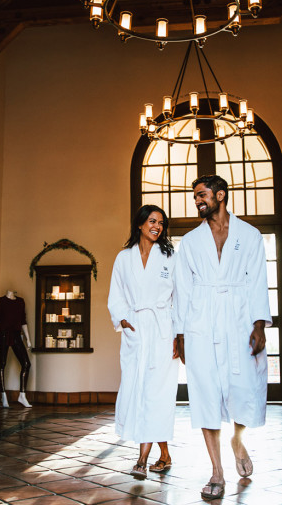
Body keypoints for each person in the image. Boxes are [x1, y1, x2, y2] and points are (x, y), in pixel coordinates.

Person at [173, 174, 271, 500]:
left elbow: (258, 280)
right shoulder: (190, 242)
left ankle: (238, 440)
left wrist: (259, 324)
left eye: (202, 195)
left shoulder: (250, 235)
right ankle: (216, 472)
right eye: (195, 197)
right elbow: (182, 291)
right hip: (201, 320)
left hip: (238, 317)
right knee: (205, 393)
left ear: (221, 195)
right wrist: (181, 333)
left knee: (243, 389)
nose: (198, 201)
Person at [108, 205, 180, 479]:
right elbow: (116, 295)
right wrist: (124, 321)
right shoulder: (123, 258)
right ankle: (164, 454)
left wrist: (178, 334)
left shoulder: (170, 256)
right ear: (140, 224)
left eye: (161, 222)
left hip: (163, 330)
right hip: (136, 330)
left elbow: (180, 296)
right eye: (152, 221)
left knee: (158, 393)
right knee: (137, 390)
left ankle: (141, 459)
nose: (157, 226)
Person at [0, 291, 33, 408]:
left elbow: (23, 321)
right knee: (2, 363)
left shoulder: (20, 302)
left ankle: (22, 395)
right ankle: (3, 396)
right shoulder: (0, 301)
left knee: (26, 364)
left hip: (16, 335)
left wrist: (28, 338)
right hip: (3, 334)